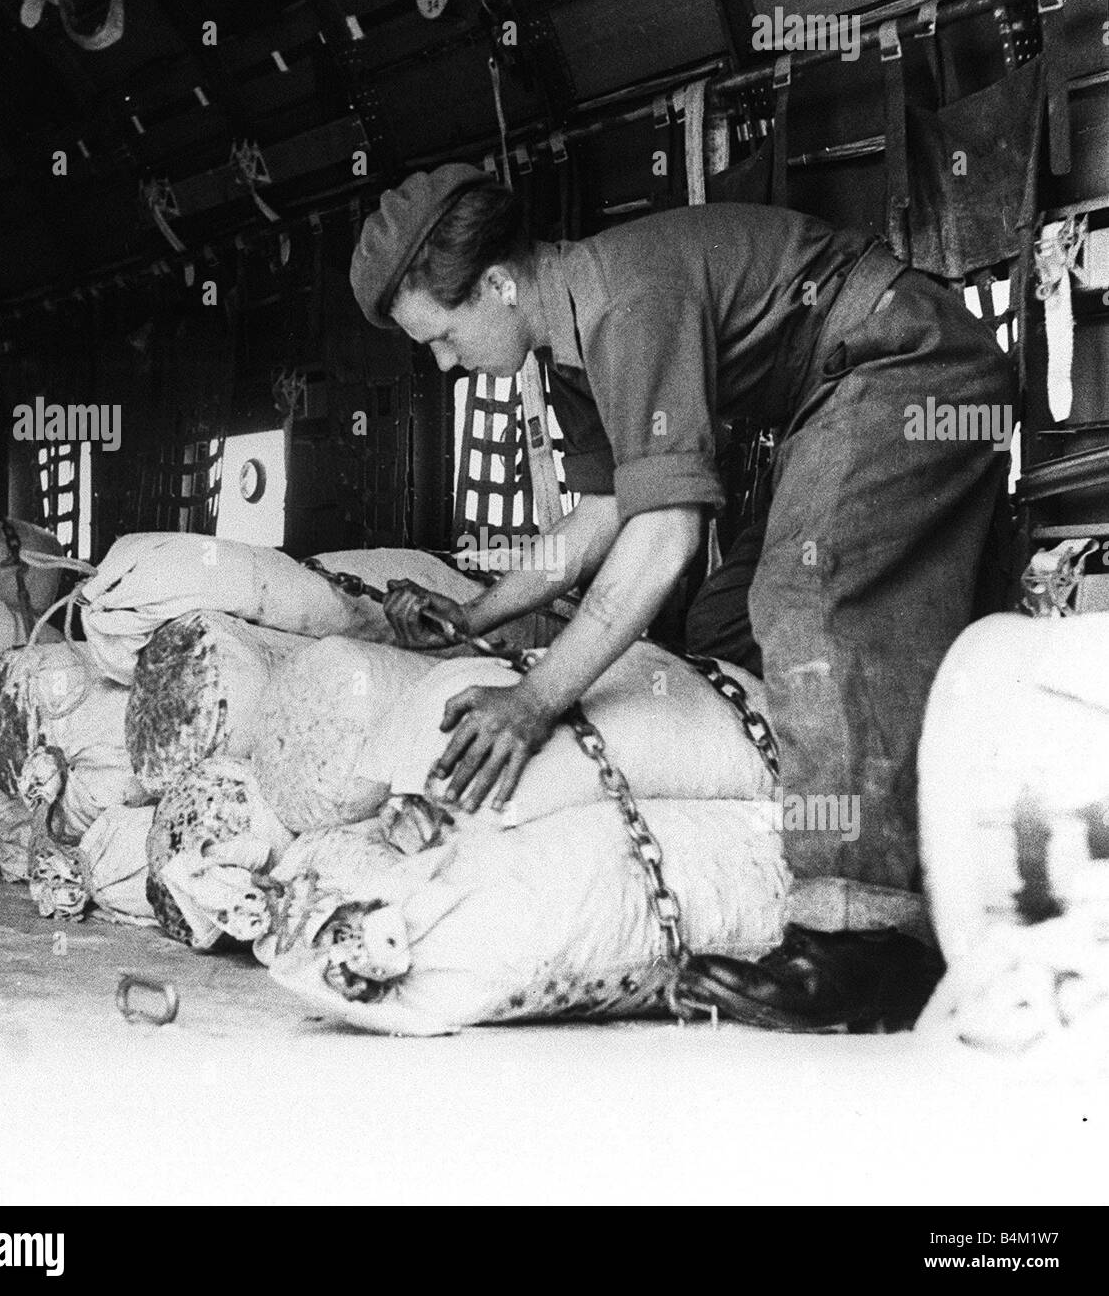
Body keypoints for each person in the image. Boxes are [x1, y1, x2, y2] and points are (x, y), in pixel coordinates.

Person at [349, 162, 1014, 1029]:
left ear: (501, 284)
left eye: (442, 336)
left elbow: (662, 538)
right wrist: (473, 617)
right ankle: (843, 843)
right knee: (726, 619)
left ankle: (866, 943)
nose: (445, 365)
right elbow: (597, 520)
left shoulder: (629, 303)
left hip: (908, 362)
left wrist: (537, 698)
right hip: (836, 388)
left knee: (809, 596)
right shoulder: (571, 350)